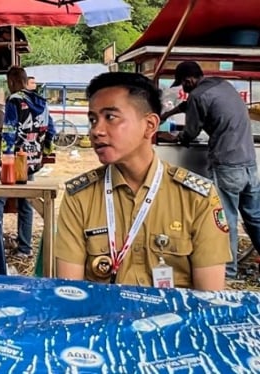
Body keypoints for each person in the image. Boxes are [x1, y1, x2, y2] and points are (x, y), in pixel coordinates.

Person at [55, 71, 231, 291]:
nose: (96, 131)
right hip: (104, 323)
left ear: (150, 125)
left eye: (110, 117)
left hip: (174, 324)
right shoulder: (79, 197)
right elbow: (71, 294)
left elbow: (209, 299)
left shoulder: (198, 198)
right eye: (93, 120)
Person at [161, 61, 260, 279]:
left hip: (227, 164)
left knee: (227, 219)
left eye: (182, 86)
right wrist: (168, 114)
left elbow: (191, 133)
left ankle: (228, 272)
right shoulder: (221, 85)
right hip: (249, 163)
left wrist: (175, 137)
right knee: (254, 217)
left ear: (189, 81)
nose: (182, 90)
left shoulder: (197, 96)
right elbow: (193, 107)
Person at [0, 66, 56, 257]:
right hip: (32, 161)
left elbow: (9, 131)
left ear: (11, 82)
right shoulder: (42, 102)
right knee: (26, 204)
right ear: (26, 81)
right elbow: (51, 130)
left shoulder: (15, 100)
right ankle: (24, 249)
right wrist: (44, 151)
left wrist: (5, 158)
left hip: (13, 159)